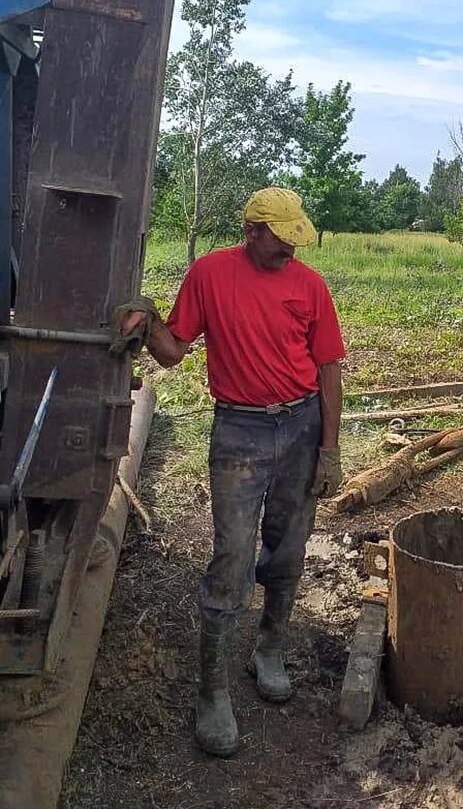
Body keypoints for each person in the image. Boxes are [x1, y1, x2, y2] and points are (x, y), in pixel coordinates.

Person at [119, 187, 345, 757]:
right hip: (239, 431)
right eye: (282, 236)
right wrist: (146, 318)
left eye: (298, 236)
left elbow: (328, 369)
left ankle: (268, 649)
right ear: (253, 230)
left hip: (300, 427)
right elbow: (173, 353)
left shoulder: (309, 286)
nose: (292, 247)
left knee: (289, 548)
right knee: (232, 556)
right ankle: (212, 691)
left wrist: (330, 449)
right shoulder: (210, 274)